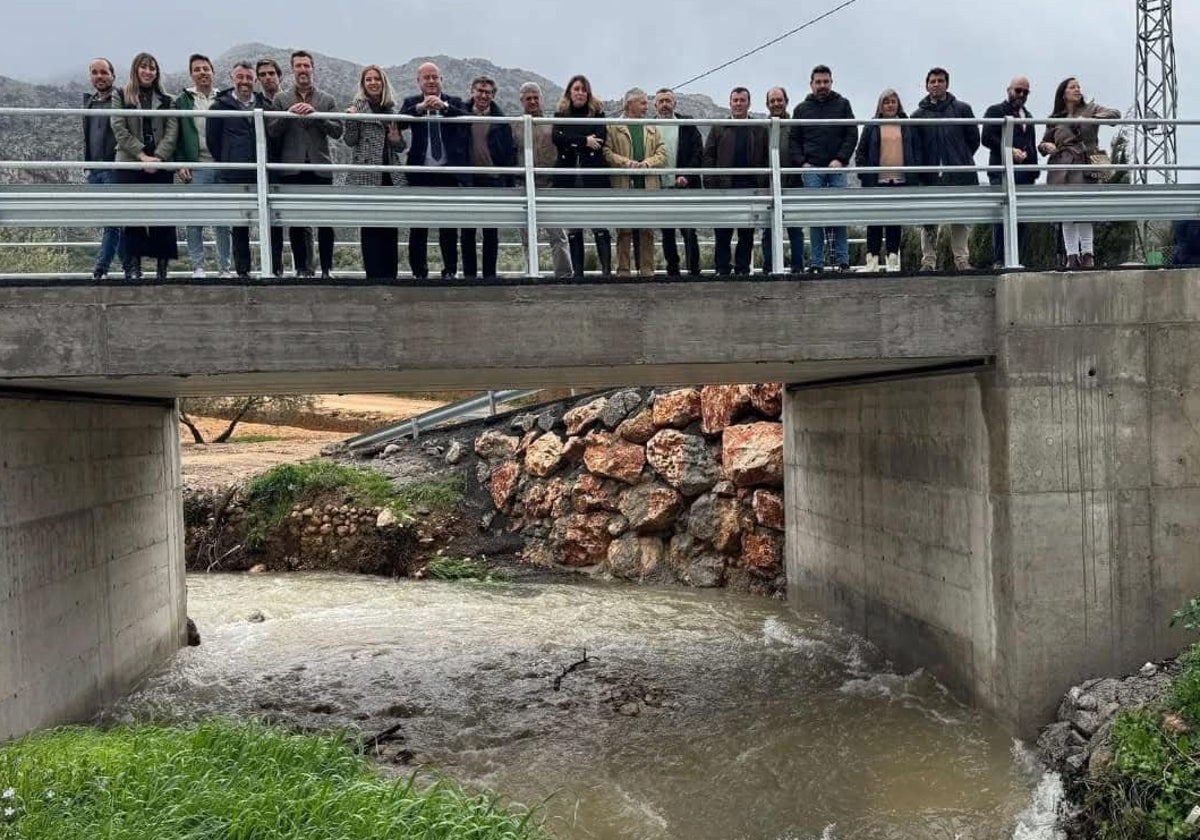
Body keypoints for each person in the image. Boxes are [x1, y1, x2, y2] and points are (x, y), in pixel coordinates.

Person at [267, 50, 342, 279]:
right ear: (292, 70)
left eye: (306, 66)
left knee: (325, 221)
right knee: (296, 222)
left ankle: (327, 269)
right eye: (298, 66)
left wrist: (316, 115)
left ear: (313, 68)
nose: (302, 70)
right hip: (291, 168)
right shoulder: (281, 100)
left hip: (320, 167)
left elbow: (338, 130)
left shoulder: (326, 99)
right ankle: (302, 268)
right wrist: (288, 114)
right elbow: (272, 130)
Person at [1038, 77, 1121, 269]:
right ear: (1063, 93)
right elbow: (1042, 144)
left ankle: (1088, 254)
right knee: (1066, 213)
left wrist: (1091, 119)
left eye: (1078, 87)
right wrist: (1046, 145)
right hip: (1061, 167)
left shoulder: (1091, 108)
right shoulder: (1055, 118)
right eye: (1072, 87)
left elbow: (1115, 114)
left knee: (1085, 211)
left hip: (1085, 165)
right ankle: (1071, 256)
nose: (1077, 90)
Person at [110, 52, 179, 281]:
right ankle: (133, 267)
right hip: (130, 162)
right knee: (132, 215)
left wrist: (158, 157)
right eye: (144, 67)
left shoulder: (168, 99)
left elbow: (172, 130)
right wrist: (141, 155)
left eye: (152, 68)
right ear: (135, 69)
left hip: (160, 162)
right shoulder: (120, 96)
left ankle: (162, 269)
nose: (148, 72)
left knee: (164, 216)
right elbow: (119, 128)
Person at [401, 62, 469, 279]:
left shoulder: (454, 101)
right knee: (418, 225)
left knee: (448, 225)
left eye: (434, 77)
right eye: (426, 78)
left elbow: (466, 120)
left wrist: (444, 107)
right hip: (420, 172)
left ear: (441, 80)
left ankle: (449, 270)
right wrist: (420, 109)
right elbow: (399, 121)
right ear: (419, 81)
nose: (431, 81)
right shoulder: (411, 102)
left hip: (447, 172)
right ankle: (419, 272)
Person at [911, 67, 980, 272]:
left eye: (940, 80)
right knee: (929, 219)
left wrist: (960, 158)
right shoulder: (918, 116)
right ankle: (928, 262)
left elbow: (973, 140)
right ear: (926, 85)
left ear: (947, 84)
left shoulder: (962, 109)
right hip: (930, 176)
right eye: (932, 81)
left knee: (961, 218)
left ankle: (961, 260)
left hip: (959, 174)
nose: (936, 84)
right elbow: (915, 146)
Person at [208, 62, 271, 278]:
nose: (244, 81)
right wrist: (228, 159)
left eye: (248, 77)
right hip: (234, 171)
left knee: (268, 220)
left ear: (254, 80)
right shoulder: (219, 106)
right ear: (232, 78)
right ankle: (243, 271)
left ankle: (272, 268)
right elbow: (213, 140)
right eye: (240, 77)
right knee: (240, 223)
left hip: (261, 171)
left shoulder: (265, 104)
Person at [790, 66, 856, 273]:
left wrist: (841, 159)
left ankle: (843, 261)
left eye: (825, 82)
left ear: (831, 82)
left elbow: (851, 133)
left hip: (836, 169)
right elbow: (794, 139)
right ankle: (817, 263)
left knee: (840, 215)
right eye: (818, 82)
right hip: (813, 170)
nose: (822, 86)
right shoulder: (801, 109)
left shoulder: (843, 105)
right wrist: (803, 163)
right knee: (815, 217)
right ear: (811, 84)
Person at [343, 64, 405, 280]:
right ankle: (374, 277)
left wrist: (397, 140)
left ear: (383, 82)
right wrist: (350, 120)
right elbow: (350, 140)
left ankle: (391, 276)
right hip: (367, 174)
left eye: (376, 79)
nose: (373, 83)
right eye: (368, 79)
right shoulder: (357, 107)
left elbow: (400, 146)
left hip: (389, 173)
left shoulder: (391, 110)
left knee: (390, 227)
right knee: (370, 226)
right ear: (363, 84)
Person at [174, 54, 232, 278]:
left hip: (222, 165)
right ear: (191, 74)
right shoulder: (183, 100)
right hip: (196, 165)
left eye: (206, 68)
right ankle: (198, 266)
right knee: (194, 218)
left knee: (223, 220)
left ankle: (225, 268)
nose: (202, 72)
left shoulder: (224, 99)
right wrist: (181, 163)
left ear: (213, 71)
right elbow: (176, 133)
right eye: (197, 69)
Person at [703, 86, 768, 276]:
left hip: (750, 188)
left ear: (749, 103)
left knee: (746, 233)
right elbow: (709, 157)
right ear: (730, 103)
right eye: (735, 100)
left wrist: (762, 183)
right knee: (722, 232)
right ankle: (722, 270)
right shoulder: (719, 127)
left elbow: (765, 158)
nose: (738, 104)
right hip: (724, 189)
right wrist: (711, 185)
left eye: (742, 100)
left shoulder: (759, 129)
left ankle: (742, 270)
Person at [603, 88, 667, 278]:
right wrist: (626, 163)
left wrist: (648, 163)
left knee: (647, 230)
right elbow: (607, 152)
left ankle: (647, 270)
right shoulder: (614, 127)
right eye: (643, 103)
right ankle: (623, 270)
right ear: (629, 104)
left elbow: (662, 153)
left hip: (647, 186)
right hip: (624, 185)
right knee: (624, 229)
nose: (646, 107)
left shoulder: (652, 128)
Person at [553, 74, 612, 277]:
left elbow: (600, 138)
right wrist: (584, 140)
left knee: (599, 224)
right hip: (568, 177)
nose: (580, 92)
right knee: (574, 226)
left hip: (593, 177)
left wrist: (573, 141)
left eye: (584, 89)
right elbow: (558, 138)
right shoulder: (560, 115)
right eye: (576, 88)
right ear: (570, 91)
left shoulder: (597, 115)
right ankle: (577, 275)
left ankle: (606, 272)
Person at [854, 88, 919, 272]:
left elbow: (916, 149)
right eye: (886, 102)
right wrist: (864, 174)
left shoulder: (906, 125)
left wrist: (914, 172)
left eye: (893, 101)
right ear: (880, 106)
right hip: (876, 182)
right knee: (874, 221)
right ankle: (872, 261)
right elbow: (861, 152)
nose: (890, 105)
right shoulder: (872, 126)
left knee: (894, 221)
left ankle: (892, 260)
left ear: (898, 104)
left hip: (899, 180)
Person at [515, 82, 571, 277]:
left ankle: (563, 274)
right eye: (528, 98)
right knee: (527, 236)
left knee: (558, 234)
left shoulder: (552, 124)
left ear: (541, 99)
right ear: (521, 100)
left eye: (535, 97)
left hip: (549, 184)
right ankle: (531, 272)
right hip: (523, 185)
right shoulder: (515, 126)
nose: (532, 101)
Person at [461, 75, 515, 279]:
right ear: (472, 92)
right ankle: (469, 276)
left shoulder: (502, 122)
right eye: (480, 91)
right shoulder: (460, 115)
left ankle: (489, 277)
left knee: (491, 231)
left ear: (493, 95)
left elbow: (508, 154)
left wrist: (506, 183)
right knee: (467, 231)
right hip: (468, 179)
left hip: (493, 180)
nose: (483, 95)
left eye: (488, 92)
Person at [982, 77, 1039, 268]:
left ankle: (1018, 259)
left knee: (1022, 219)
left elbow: (1030, 142)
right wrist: (1008, 150)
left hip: (1024, 173)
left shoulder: (1028, 116)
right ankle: (1000, 259)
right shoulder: (995, 111)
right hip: (1001, 171)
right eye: (1018, 90)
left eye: (1025, 92)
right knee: (1001, 215)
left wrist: (1033, 168)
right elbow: (987, 137)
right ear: (1009, 90)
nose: (1021, 95)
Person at [654, 88, 703, 277]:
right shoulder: (648, 125)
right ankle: (672, 270)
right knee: (667, 233)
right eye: (661, 101)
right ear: (655, 105)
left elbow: (697, 151)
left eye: (668, 100)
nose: (665, 104)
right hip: (660, 188)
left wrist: (686, 175)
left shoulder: (686, 123)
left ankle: (694, 270)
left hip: (685, 187)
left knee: (689, 231)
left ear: (674, 103)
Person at [83, 57, 122, 280]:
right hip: (94, 170)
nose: (99, 76)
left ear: (112, 75)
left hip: (114, 168)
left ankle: (102, 268)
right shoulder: (89, 103)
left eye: (103, 72)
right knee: (109, 220)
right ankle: (123, 268)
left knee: (115, 220)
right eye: (95, 72)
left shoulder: (121, 99)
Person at [762, 86, 804, 274]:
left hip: (793, 181)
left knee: (795, 228)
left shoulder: (795, 126)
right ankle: (768, 267)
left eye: (779, 100)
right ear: (767, 104)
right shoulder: (762, 128)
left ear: (786, 101)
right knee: (768, 230)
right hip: (768, 184)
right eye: (773, 101)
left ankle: (798, 266)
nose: (776, 104)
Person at [255, 58, 287, 276]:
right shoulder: (255, 104)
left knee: (298, 221)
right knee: (270, 221)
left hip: (291, 165)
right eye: (263, 74)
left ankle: (306, 267)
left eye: (271, 73)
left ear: (279, 76)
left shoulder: (290, 99)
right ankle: (274, 268)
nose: (267, 78)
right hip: (265, 166)